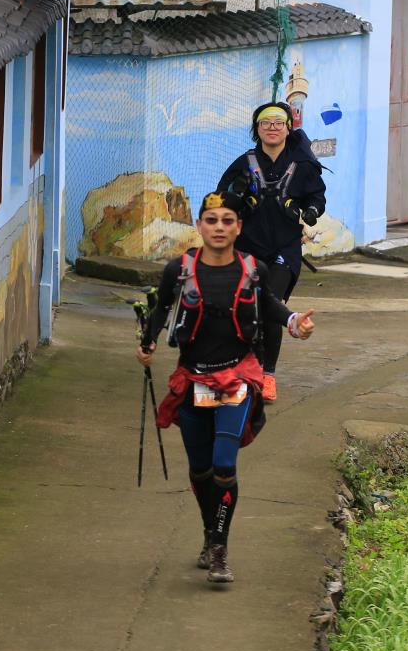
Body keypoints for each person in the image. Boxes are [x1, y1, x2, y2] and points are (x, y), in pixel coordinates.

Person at [138, 193, 317, 583]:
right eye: (212, 220)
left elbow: (270, 306)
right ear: (199, 226)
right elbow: (161, 309)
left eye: (227, 220)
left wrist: (294, 323)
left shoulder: (254, 269)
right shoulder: (178, 270)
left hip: (236, 379)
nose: (219, 228)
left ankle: (219, 548)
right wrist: (147, 343)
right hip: (192, 380)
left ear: (239, 227)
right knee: (200, 470)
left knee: (223, 465)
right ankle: (210, 533)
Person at [216, 101, 326, 402]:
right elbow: (220, 199)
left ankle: (267, 376)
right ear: (257, 129)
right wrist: (238, 197)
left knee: (271, 305)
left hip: (284, 250)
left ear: (288, 128)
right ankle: (241, 367)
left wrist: (311, 210)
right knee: (245, 308)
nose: (272, 128)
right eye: (266, 123)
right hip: (247, 248)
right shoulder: (245, 162)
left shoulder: (302, 164)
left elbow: (317, 196)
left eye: (279, 122)